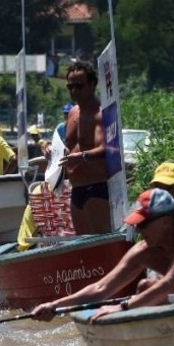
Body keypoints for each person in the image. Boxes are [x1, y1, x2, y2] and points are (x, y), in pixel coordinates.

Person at [29, 188, 174, 323]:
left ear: (167, 222)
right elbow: (101, 289)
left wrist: (123, 308)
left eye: (144, 224)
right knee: (144, 287)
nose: (139, 231)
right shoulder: (143, 251)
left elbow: (171, 284)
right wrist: (54, 305)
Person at [61, 61, 112, 234]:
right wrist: (50, 152)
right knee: (83, 246)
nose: (74, 90)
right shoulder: (72, 113)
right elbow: (68, 148)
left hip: (95, 187)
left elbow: (105, 149)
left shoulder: (100, 113)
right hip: (76, 189)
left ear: (92, 84)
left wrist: (81, 157)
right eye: (70, 86)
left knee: (101, 244)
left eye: (79, 85)